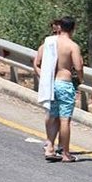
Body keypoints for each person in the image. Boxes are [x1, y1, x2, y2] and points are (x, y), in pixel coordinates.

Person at [33, 16, 83, 163]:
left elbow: (37, 63)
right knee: (65, 119)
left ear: (60, 27)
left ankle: (50, 146)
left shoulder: (49, 42)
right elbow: (78, 66)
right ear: (73, 28)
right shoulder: (72, 46)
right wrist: (80, 79)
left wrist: (44, 77)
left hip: (51, 83)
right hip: (64, 82)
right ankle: (66, 154)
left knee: (52, 116)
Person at [34, 19, 62, 158]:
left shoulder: (66, 46)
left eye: (59, 31)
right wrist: (45, 77)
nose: (57, 34)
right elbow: (36, 64)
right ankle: (50, 141)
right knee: (51, 114)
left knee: (62, 116)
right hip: (49, 85)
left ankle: (59, 144)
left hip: (61, 83)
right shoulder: (45, 46)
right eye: (55, 31)